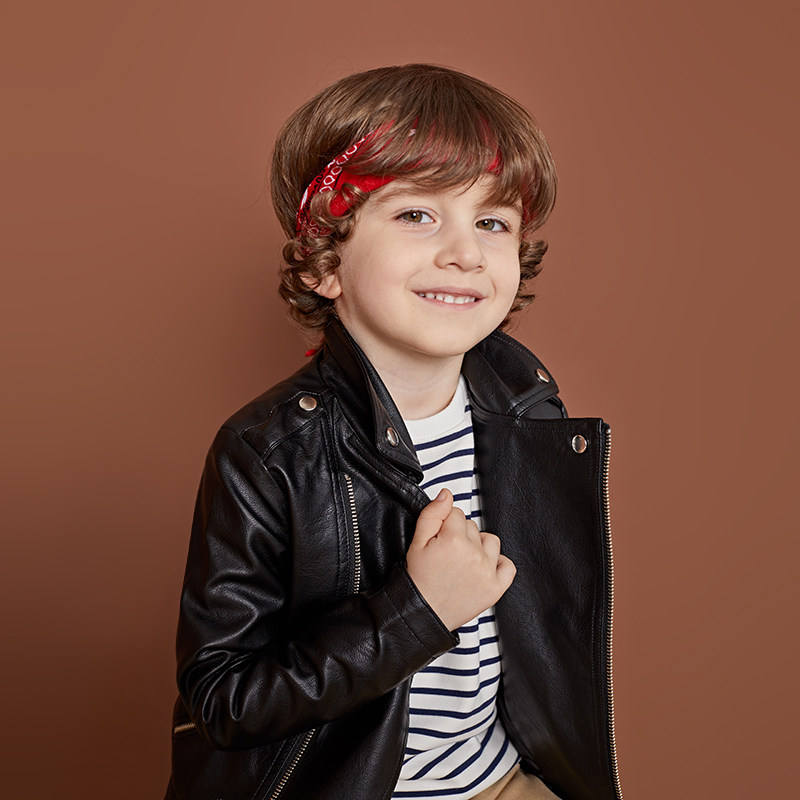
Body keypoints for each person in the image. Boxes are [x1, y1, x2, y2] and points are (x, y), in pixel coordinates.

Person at [166, 64, 621, 800]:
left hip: (499, 778)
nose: (466, 253)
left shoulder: (529, 412)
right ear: (325, 261)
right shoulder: (270, 451)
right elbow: (225, 702)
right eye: (417, 215)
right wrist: (418, 610)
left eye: (492, 222)